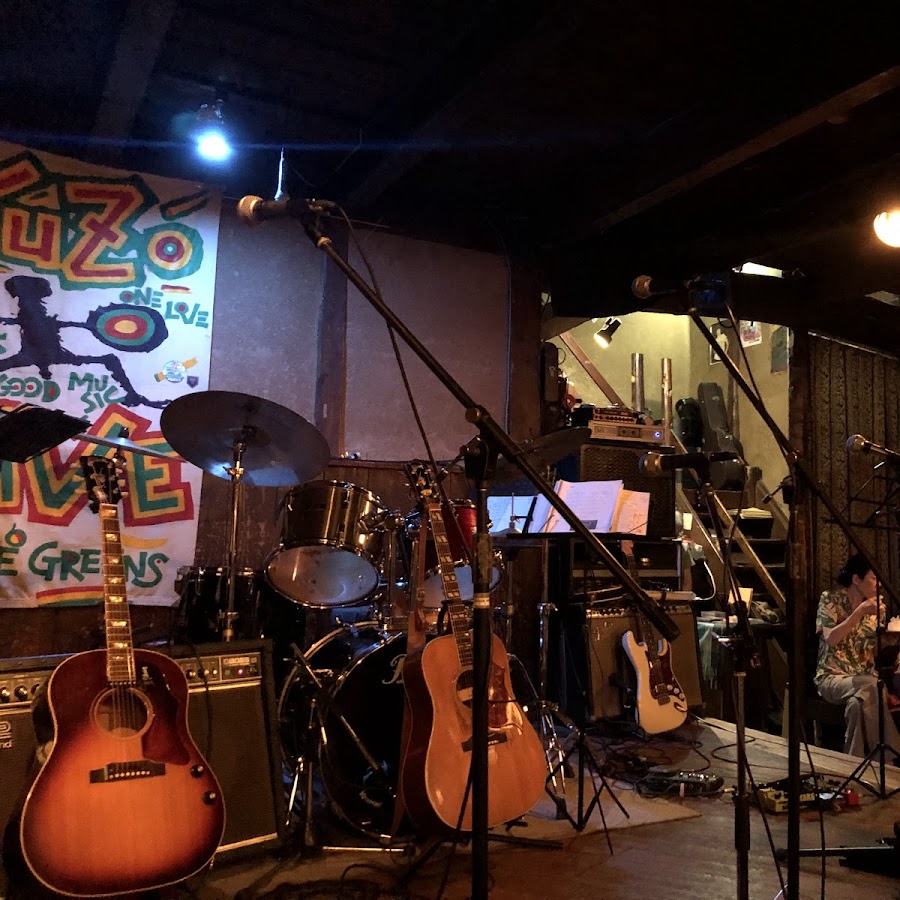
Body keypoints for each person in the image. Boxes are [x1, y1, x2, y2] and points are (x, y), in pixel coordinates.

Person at [814, 552, 900, 759]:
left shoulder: (876, 609)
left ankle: (853, 762)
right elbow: (831, 639)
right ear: (856, 579)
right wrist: (859, 612)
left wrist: (887, 641)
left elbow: (872, 652)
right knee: (874, 685)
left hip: (864, 682)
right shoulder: (830, 600)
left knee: (857, 705)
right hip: (832, 678)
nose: (879, 585)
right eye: (874, 578)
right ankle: (889, 758)